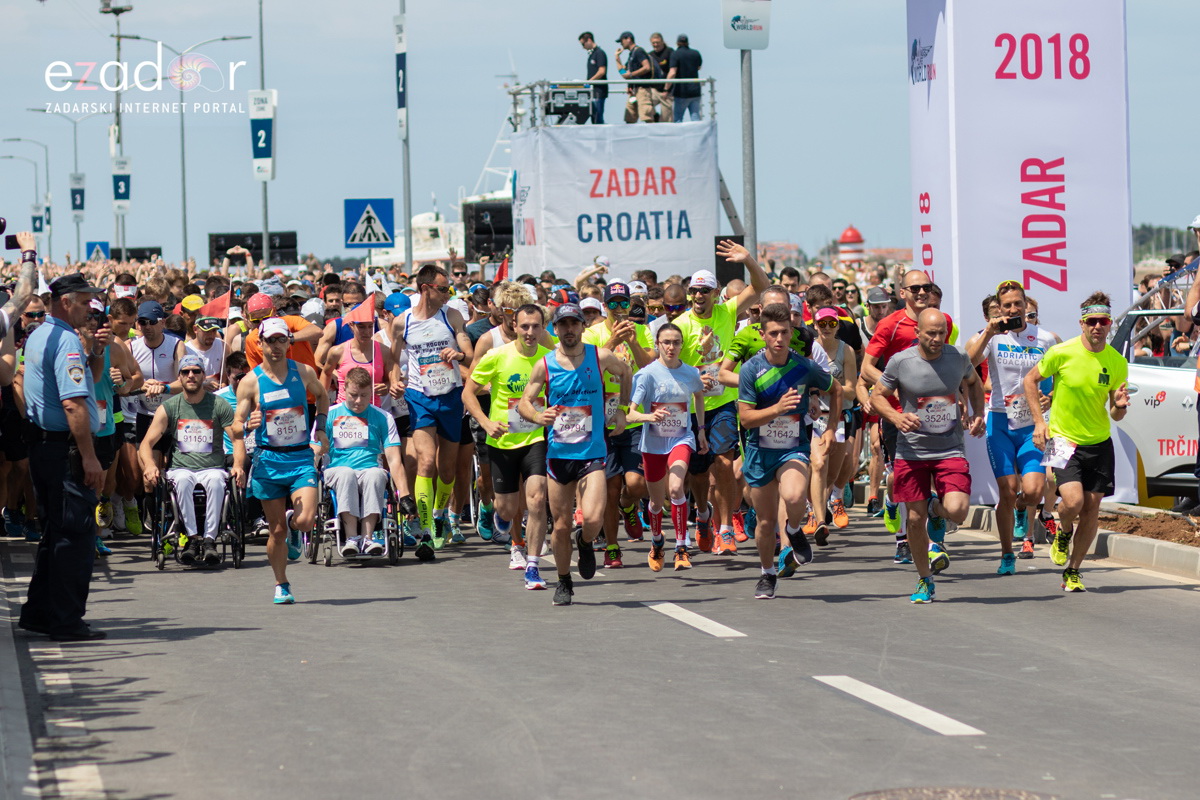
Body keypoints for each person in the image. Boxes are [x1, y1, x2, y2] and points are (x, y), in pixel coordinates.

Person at [518, 303, 631, 606]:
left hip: (593, 451)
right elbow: (525, 402)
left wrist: (621, 410)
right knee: (561, 524)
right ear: (554, 329)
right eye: (562, 325)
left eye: (573, 324)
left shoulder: (600, 356)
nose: (568, 330)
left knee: (592, 519)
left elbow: (626, 372)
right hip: (558, 455)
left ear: (582, 326)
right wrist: (536, 416)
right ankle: (564, 581)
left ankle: (586, 541)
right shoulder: (545, 364)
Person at [18, 268, 110, 641]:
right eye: (86, 301)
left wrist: (98, 350)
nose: (90, 308)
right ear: (66, 302)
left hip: (46, 447)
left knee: (57, 532)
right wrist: (89, 457)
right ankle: (66, 620)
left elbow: (78, 379)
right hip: (64, 451)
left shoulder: (42, 334)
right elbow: (73, 404)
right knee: (75, 535)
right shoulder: (66, 341)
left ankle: (41, 613)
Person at [872, 309, 985, 603]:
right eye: (931, 333)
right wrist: (896, 420)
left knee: (958, 510)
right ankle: (925, 579)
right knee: (913, 520)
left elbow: (973, 383)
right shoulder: (901, 361)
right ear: (918, 333)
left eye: (941, 334)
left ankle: (938, 509)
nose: (937, 339)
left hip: (949, 448)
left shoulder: (958, 357)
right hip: (911, 451)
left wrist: (978, 414)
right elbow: (876, 396)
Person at [1024, 292, 1129, 593]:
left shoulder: (1117, 362)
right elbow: (1030, 380)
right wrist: (1039, 422)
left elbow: (1115, 414)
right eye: (1092, 321)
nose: (1098, 326)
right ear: (1082, 323)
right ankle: (1063, 529)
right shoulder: (1062, 352)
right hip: (1061, 439)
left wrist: (1119, 405)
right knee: (1073, 502)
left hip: (1099, 443)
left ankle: (1073, 570)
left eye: (1103, 321)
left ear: (1110, 325)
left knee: (1092, 508)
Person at [674, 240, 770, 555]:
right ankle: (703, 515)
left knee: (725, 463)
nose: (699, 296)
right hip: (690, 408)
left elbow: (762, 287)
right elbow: (670, 367)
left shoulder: (727, 312)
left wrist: (748, 260)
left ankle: (726, 527)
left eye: (705, 291)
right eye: (694, 291)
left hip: (724, 402)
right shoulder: (679, 325)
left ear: (716, 294)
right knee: (699, 475)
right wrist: (692, 377)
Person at [737, 304, 837, 600]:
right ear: (763, 335)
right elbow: (745, 418)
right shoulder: (751, 370)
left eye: (784, 333)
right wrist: (777, 409)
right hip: (758, 451)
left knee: (794, 496)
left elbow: (839, 389)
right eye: (773, 334)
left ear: (791, 333)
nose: (779, 339)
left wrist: (830, 428)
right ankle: (767, 573)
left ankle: (794, 529)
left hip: (793, 448)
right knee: (766, 522)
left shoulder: (803, 366)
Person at [859, 269, 955, 563]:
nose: (922, 293)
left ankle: (932, 543)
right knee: (902, 479)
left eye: (926, 287)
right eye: (914, 288)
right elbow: (866, 369)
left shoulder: (944, 322)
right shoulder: (890, 324)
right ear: (903, 293)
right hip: (899, 415)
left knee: (935, 480)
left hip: (937, 414)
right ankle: (903, 536)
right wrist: (898, 386)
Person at [233, 318, 330, 604]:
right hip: (268, 461)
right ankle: (282, 583)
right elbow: (235, 427)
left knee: (307, 519)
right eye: (270, 340)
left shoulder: (303, 371)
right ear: (260, 343)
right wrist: (247, 425)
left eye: (281, 340)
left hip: (300, 456)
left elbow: (323, 396)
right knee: (276, 531)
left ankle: (295, 524)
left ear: (290, 342)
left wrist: (321, 428)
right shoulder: (251, 382)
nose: (276, 346)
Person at [966, 280, 1061, 571]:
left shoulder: (1045, 338)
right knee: (1006, 491)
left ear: (1025, 304)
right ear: (999, 308)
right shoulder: (992, 337)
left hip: (1031, 423)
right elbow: (967, 364)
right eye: (1006, 305)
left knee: (1033, 490)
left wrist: (1051, 397)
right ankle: (1007, 553)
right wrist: (989, 332)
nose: (1013, 309)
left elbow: (1063, 375)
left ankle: (1023, 509)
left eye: (1017, 303)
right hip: (999, 422)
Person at [464, 304, 552, 587]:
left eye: (535, 327)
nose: (529, 332)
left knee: (537, 499)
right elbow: (468, 393)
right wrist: (486, 423)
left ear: (542, 329)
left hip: (535, 437)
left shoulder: (549, 359)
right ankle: (505, 526)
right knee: (507, 507)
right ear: (514, 325)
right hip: (502, 440)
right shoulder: (496, 356)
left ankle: (533, 564)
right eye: (524, 326)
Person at [390, 263, 473, 556]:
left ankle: (440, 516)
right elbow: (392, 360)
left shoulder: (451, 316)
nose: (448, 293)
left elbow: (469, 352)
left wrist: (458, 354)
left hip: (450, 396)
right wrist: (393, 381)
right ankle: (425, 530)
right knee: (426, 462)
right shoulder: (402, 323)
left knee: (447, 469)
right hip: (419, 396)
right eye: (443, 288)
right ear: (425, 289)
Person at [138, 355, 237, 566]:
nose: (191, 375)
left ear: (203, 375)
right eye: (185, 372)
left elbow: (236, 438)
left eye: (195, 371)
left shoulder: (219, 404)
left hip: (212, 466)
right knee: (181, 481)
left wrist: (238, 464)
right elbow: (146, 443)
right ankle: (191, 538)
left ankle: (210, 539)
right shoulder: (169, 407)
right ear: (179, 377)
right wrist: (149, 465)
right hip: (181, 468)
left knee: (218, 481)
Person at [583, 281, 654, 567]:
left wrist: (634, 341)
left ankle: (629, 506)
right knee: (610, 488)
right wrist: (612, 342)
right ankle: (613, 546)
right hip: (602, 420)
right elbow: (587, 368)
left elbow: (648, 365)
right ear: (604, 305)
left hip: (633, 415)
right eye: (612, 304)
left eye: (623, 303)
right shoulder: (592, 333)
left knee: (637, 484)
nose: (619, 309)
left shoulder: (643, 330)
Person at [626, 323, 707, 571]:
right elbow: (629, 414)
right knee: (654, 501)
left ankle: (681, 546)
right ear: (658, 344)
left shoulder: (691, 373)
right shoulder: (647, 374)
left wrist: (701, 430)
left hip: (681, 439)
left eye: (676, 342)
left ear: (682, 345)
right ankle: (658, 540)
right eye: (666, 342)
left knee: (675, 489)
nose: (672, 347)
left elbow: (699, 395)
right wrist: (647, 418)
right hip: (653, 443)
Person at [319, 367, 417, 558]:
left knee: (376, 474)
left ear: (371, 392)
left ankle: (368, 537)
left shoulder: (383, 417)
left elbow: (394, 458)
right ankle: (351, 538)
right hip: (337, 468)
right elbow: (315, 449)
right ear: (344, 390)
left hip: (369, 467)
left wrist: (405, 495)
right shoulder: (330, 414)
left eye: (364, 395)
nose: (358, 401)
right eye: (353, 395)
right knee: (346, 473)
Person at [616, 31, 655, 123]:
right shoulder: (631, 55)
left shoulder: (639, 51)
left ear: (628, 39)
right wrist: (617, 59)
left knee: (647, 117)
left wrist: (631, 74)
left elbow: (647, 67)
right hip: (633, 91)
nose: (621, 44)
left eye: (622, 41)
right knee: (629, 118)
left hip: (642, 89)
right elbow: (623, 72)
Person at [667, 34, 703, 122]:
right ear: (687, 42)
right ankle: (697, 135)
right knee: (695, 118)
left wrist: (666, 88)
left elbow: (672, 72)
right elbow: (698, 67)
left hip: (681, 92)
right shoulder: (696, 53)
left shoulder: (675, 54)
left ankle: (678, 136)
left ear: (677, 43)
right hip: (695, 91)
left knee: (678, 119)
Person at [579, 31, 608, 124]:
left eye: (583, 44)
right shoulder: (591, 55)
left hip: (599, 91)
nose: (583, 47)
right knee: (594, 117)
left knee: (598, 117)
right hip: (592, 91)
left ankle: (602, 136)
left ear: (589, 40)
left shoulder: (599, 53)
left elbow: (601, 71)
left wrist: (589, 82)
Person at [647, 32, 674, 123]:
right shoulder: (650, 55)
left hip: (667, 91)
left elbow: (673, 71)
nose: (655, 45)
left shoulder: (670, 52)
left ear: (662, 41)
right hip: (655, 89)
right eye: (653, 43)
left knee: (666, 118)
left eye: (657, 42)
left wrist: (666, 89)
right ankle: (655, 117)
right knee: (645, 105)